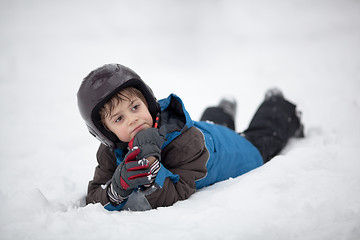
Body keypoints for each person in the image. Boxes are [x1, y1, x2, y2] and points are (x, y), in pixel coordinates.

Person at [77, 63, 304, 211]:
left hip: (229, 150)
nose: (133, 119)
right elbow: (94, 197)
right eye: (119, 119)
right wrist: (116, 189)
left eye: (135, 107)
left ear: (148, 102)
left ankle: (276, 105)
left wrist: (152, 166)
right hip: (205, 131)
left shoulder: (186, 142)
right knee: (209, 123)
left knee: (260, 138)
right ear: (106, 133)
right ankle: (222, 111)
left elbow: (178, 192)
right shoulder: (110, 152)